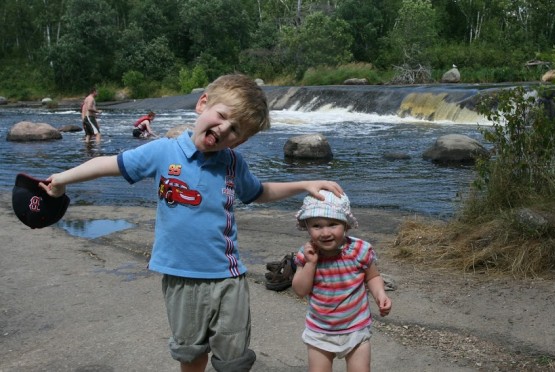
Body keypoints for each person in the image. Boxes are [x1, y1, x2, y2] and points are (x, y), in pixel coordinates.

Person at [39, 74, 344, 372]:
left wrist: (304, 184)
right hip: (180, 277)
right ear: (203, 104)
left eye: (235, 130)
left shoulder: (233, 163)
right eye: (222, 116)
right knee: (191, 355)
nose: (224, 129)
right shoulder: (163, 151)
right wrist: (61, 180)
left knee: (233, 361)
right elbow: (109, 164)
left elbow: (259, 192)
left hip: (228, 278)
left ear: (242, 141)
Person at [292, 190, 392, 372]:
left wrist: (380, 294)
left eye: (333, 224)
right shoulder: (307, 254)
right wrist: (311, 263)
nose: (325, 232)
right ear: (307, 227)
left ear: (346, 225)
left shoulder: (360, 250)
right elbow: (300, 290)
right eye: (316, 226)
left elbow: (373, 276)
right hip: (320, 330)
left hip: (356, 327)